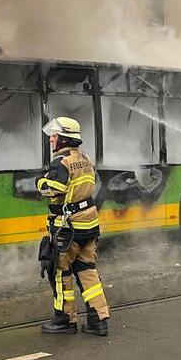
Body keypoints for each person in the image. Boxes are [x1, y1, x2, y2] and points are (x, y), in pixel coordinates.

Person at [37, 116, 110, 336]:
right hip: (89, 226)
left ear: (63, 138)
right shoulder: (85, 159)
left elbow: (54, 188)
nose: (51, 140)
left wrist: (40, 182)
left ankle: (65, 320)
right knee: (88, 271)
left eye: (54, 136)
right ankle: (99, 320)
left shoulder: (61, 162)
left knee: (60, 272)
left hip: (67, 230)